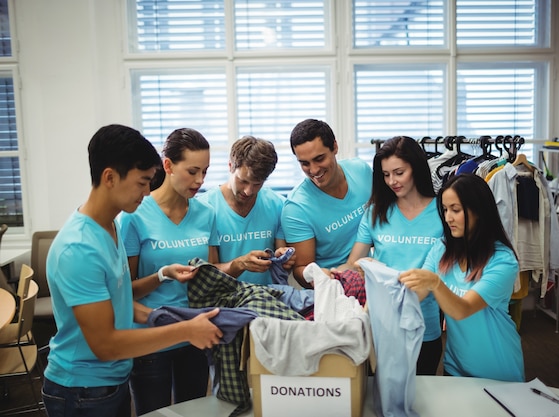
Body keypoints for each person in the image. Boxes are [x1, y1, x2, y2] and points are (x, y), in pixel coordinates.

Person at [42, 124, 223, 417]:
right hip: (81, 389)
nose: (148, 191)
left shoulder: (110, 226)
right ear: (110, 177)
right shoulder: (78, 248)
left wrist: (162, 293)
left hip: (111, 382)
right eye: (142, 182)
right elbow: (106, 344)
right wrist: (186, 329)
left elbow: (121, 299)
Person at [117, 128, 221, 415]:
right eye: (192, 171)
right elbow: (125, 291)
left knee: (194, 412)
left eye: (205, 171)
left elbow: (211, 276)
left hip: (195, 335)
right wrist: (163, 274)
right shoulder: (134, 215)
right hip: (151, 338)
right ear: (167, 165)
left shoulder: (207, 214)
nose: (200, 180)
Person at [398, 173, 524, 382]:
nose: (448, 218)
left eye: (455, 210)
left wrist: (435, 282)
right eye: (446, 210)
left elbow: (461, 310)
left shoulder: (502, 261)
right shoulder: (442, 249)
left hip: (497, 371)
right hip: (455, 367)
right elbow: (418, 292)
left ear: (479, 211)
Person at [340, 136, 443, 375]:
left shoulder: (442, 211)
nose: (392, 181)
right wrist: (330, 273)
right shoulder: (375, 212)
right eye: (386, 175)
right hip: (380, 325)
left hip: (425, 325)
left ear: (416, 168)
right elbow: (354, 263)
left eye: (399, 172)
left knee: (421, 397)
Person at [281, 119, 372, 288]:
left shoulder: (362, 171)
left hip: (375, 276)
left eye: (319, 158)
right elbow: (301, 269)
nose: (314, 170)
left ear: (335, 147)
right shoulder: (296, 207)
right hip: (336, 285)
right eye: (305, 163)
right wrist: (317, 276)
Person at [196, 136, 295, 285]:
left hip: (270, 300)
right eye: (243, 181)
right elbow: (207, 276)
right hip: (225, 301)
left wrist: (284, 258)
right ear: (230, 166)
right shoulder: (204, 208)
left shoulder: (278, 205)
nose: (248, 191)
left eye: (257, 184)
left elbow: (282, 265)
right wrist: (240, 264)